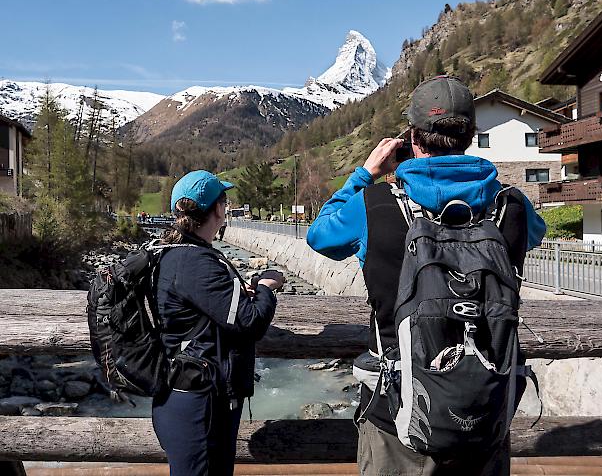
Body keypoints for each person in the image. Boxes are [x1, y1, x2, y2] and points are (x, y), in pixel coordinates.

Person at [306, 76, 546, 476]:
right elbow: (535, 236)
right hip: (484, 411)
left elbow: (320, 237)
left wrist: (365, 173)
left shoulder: (375, 203)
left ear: (413, 137)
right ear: (471, 136)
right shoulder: (513, 206)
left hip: (395, 417)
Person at [153, 170, 285, 476]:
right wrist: (266, 287)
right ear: (217, 209)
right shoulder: (196, 262)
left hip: (182, 395)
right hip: (199, 404)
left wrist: (240, 293)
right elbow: (250, 322)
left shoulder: (175, 253)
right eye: (224, 202)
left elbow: (205, 308)